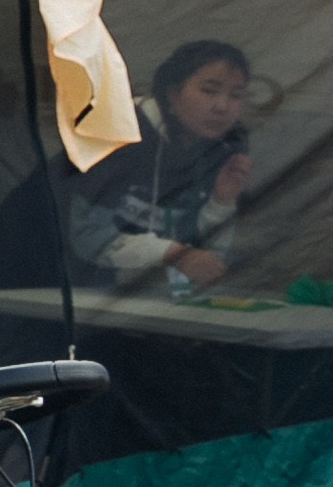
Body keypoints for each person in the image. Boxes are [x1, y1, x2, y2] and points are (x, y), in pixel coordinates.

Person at [69, 38, 254, 295]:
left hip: (125, 301)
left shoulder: (221, 151)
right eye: (209, 91)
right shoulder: (121, 133)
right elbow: (86, 235)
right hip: (39, 285)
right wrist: (175, 254)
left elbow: (204, 261)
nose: (222, 106)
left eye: (236, 95)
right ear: (172, 93)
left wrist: (221, 203)